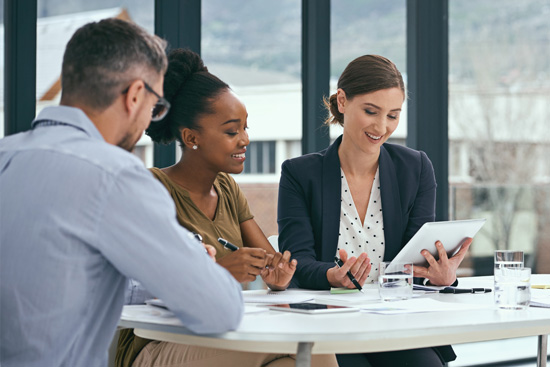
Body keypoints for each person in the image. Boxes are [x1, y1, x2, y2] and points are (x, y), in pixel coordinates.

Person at [0, 19, 243, 367]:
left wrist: (163, 267)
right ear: (134, 96)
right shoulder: (114, 176)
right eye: (155, 107)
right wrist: (190, 260)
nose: (149, 121)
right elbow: (222, 310)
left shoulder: (5, 155)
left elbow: (56, 280)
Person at [115, 48, 338, 367]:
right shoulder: (152, 189)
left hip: (221, 337)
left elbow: (270, 265)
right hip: (157, 344)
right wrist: (219, 272)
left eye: (246, 128)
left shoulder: (227, 190)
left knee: (300, 356)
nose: (245, 139)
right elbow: (138, 286)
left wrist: (276, 278)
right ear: (192, 137)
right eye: (232, 131)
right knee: (298, 345)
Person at [277, 55, 473, 367]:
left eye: (393, 116)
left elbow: (416, 261)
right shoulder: (300, 174)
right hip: (330, 324)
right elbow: (297, 262)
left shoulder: (416, 168)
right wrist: (332, 275)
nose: (382, 127)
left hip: (396, 322)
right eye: (371, 111)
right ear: (342, 101)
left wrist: (441, 276)